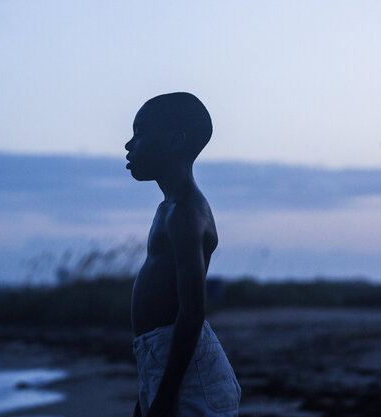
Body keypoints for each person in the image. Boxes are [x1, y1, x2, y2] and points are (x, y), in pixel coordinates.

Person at [125, 92, 241, 417]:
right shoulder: (169, 209)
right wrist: (150, 391)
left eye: (140, 133)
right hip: (167, 361)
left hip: (190, 374)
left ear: (176, 141)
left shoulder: (186, 213)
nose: (128, 145)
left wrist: (166, 395)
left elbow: (191, 312)